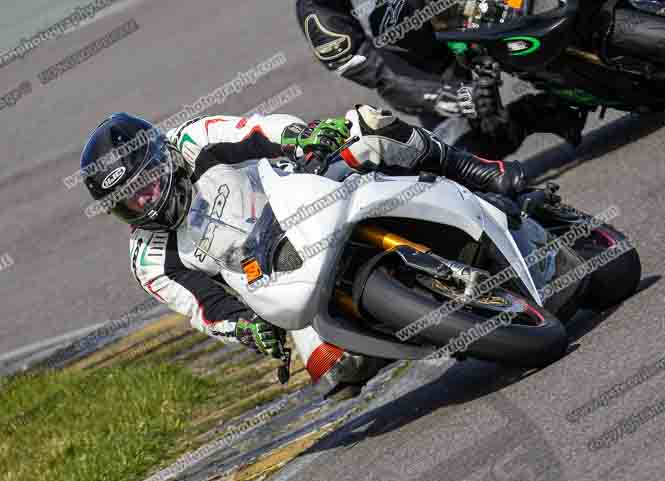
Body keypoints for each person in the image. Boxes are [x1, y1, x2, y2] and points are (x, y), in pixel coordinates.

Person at [79, 105, 537, 390]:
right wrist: (244, 329)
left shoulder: (194, 139)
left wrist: (298, 137)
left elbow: (254, 130)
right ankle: (425, 318)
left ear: (162, 158)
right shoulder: (149, 258)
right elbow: (203, 307)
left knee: (369, 127)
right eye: (129, 201)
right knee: (334, 370)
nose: (146, 200)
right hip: (277, 277)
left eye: (147, 183)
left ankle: (478, 170)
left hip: (302, 192)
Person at [295, 0, 587, 159]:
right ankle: (534, 113)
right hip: (426, 50)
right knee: (475, 156)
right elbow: (364, 64)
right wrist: (452, 96)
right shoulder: (315, 8)